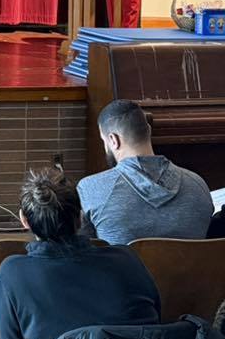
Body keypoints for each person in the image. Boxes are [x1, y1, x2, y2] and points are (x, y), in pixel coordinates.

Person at [0, 168, 160, 339]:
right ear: (80, 218)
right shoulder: (128, 260)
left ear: (24, 221)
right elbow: (156, 321)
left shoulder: (12, 274)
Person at [78, 99, 213, 244]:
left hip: (123, 268)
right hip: (193, 267)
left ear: (113, 140)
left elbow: (83, 250)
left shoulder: (90, 188)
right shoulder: (198, 185)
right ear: (148, 130)